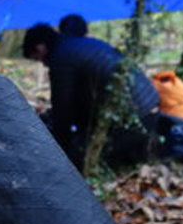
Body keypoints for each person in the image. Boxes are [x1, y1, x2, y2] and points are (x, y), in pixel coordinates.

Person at [23, 23, 160, 167]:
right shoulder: (78, 44)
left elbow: (62, 110)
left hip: (136, 119)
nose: (43, 64)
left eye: (38, 58)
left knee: (80, 161)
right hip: (151, 107)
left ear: (41, 47)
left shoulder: (61, 58)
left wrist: (60, 151)